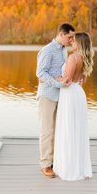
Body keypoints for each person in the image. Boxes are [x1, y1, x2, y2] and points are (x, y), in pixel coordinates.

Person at [53, 32, 94, 181]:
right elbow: (81, 80)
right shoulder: (85, 58)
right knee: (77, 129)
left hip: (69, 94)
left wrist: (50, 78)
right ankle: (79, 167)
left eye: (74, 41)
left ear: (80, 44)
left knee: (68, 128)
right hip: (78, 93)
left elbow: (67, 80)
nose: (71, 42)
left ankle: (68, 168)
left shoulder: (73, 58)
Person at [36, 23, 75, 177]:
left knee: (58, 129)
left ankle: (55, 161)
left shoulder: (64, 51)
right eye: (69, 37)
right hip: (47, 95)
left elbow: (62, 71)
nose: (71, 40)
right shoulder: (47, 50)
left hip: (61, 96)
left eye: (73, 37)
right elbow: (40, 73)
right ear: (61, 34)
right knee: (47, 131)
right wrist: (58, 83)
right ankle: (45, 164)